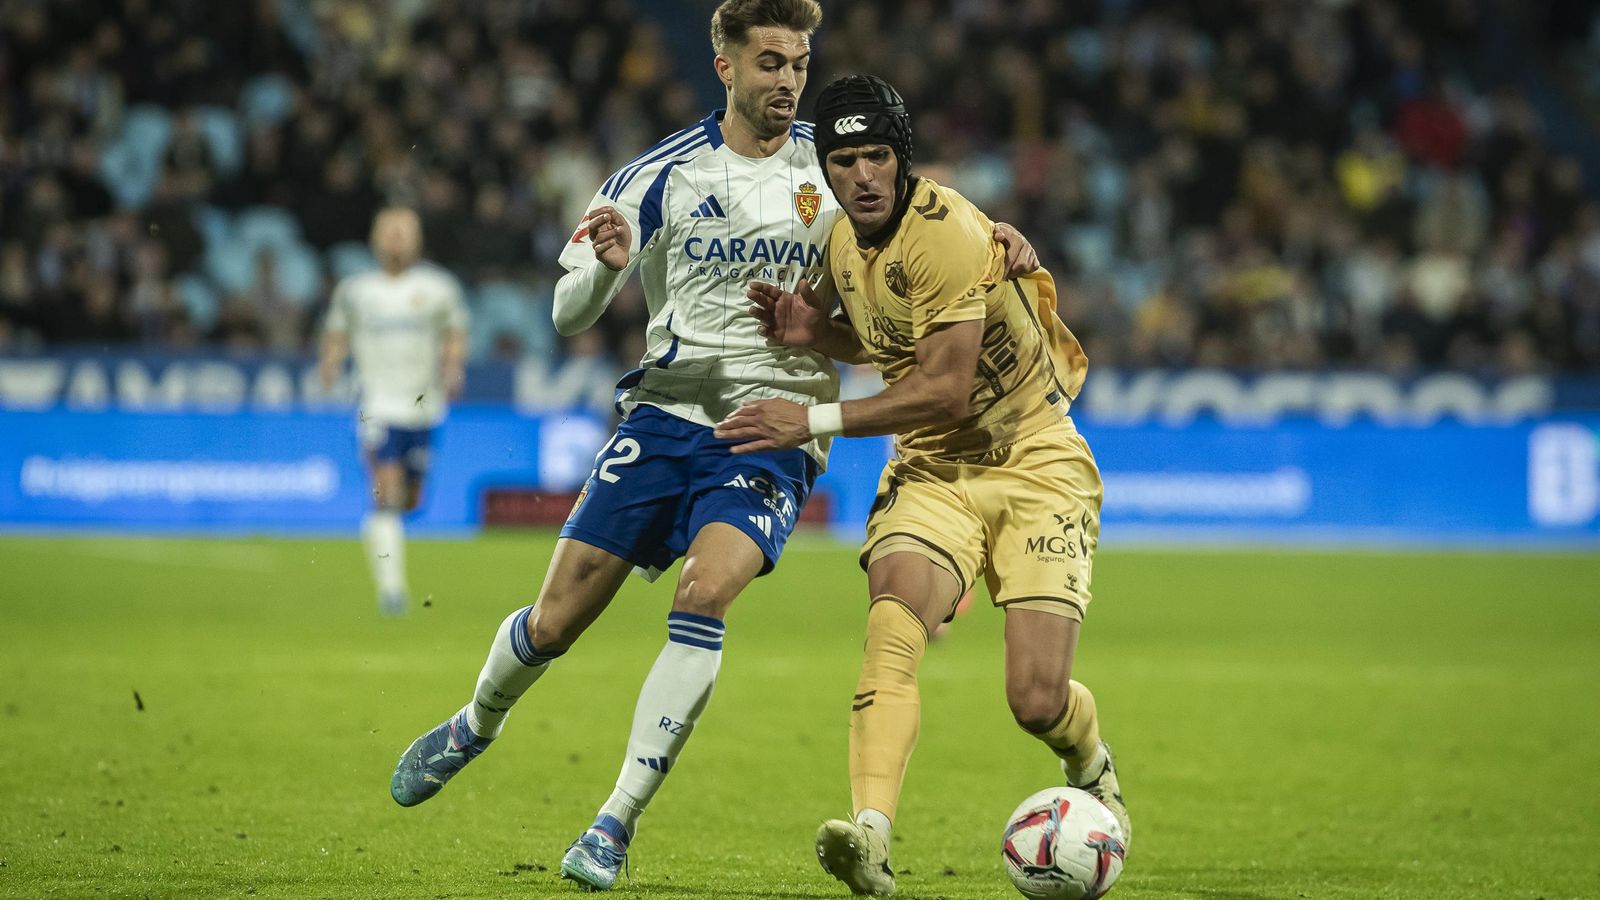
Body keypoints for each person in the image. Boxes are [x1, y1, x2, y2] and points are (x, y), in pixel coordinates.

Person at [386, 1, 1039, 890]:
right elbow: (565, 309)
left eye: (800, 64)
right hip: (663, 416)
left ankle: (613, 822)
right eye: (770, 62)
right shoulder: (657, 176)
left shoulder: (833, 163)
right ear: (725, 67)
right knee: (556, 620)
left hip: (773, 430)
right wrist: (610, 269)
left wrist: (1000, 236)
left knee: (706, 590)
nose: (788, 81)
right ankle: (475, 722)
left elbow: (933, 218)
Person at [714, 75, 1131, 896]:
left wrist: (814, 419)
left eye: (877, 156)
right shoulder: (837, 244)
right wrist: (816, 331)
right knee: (893, 619)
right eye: (843, 159)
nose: (863, 175)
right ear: (826, 169)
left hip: (1033, 456)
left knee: (1036, 698)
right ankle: (870, 836)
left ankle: (1090, 762)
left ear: (901, 158)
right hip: (935, 467)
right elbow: (894, 344)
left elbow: (942, 384)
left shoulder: (948, 232)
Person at [319, 207, 467, 616]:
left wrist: (454, 366)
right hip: (377, 405)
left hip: (423, 408)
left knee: (412, 500)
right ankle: (392, 590)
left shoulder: (439, 288)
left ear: (418, 239)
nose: (397, 238)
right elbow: (336, 332)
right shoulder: (356, 290)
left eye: (405, 231)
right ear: (375, 238)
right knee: (387, 493)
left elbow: (454, 333)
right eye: (390, 231)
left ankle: (384, 536)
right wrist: (330, 363)